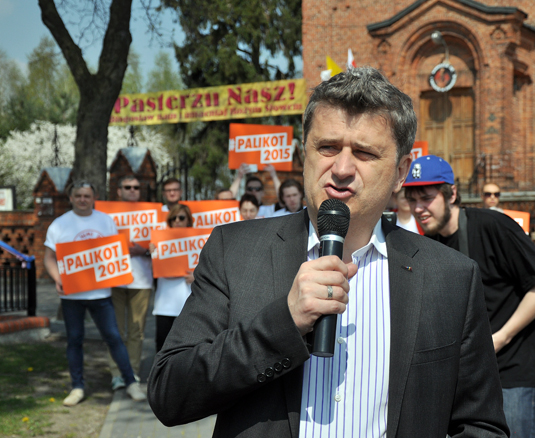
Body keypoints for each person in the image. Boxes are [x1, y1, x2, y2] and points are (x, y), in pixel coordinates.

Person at [148, 67, 508, 437]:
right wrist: (282, 324)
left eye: (365, 153)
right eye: (328, 148)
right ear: (304, 152)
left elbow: (481, 424)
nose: (341, 169)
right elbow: (169, 393)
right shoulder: (234, 251)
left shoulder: (451, 277)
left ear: (401, 172)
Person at [404, 154, 535, 438]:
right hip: (467, 378)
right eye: (411, 200)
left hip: (513, 373)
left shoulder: (493, 225)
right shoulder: (429, 244)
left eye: (426, 198)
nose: (418, 208)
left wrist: (501, 337)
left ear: (451, 194)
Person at [43, 181, 146, 406]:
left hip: (101, 294)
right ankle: (77, 387)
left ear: (94, 198)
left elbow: (115, 252)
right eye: (78, 195)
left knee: (114, 338)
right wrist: (58, 278)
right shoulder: (59, 224)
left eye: (87, 196)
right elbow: (49, 257)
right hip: (72, 296)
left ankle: (130, 382)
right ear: (71, 198)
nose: (82, 199)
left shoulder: (105, 221)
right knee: (74, 340)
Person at [107, 175, 153, 391]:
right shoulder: (107, 215)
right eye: (127, 187)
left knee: (136, 331)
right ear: (119, 191)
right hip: (114, 279)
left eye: (136, 187)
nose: (132, 190)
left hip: (142, 281)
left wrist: (143, 250)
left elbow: (163, 244)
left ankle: (132, 372)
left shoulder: (152, 215)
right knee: (115, 331)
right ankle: (117, 374)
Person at [150, 204, 195, 352]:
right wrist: (152, 254)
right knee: (162, 346)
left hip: (187, 303)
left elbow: (209, 269)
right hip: (164, 304)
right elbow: (152, 270)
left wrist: (197, 276)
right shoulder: (159, 241)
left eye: (181, 217)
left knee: (185, 348)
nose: (177, 221)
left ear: (188, 220)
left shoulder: (197, 240)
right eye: (173, 218)